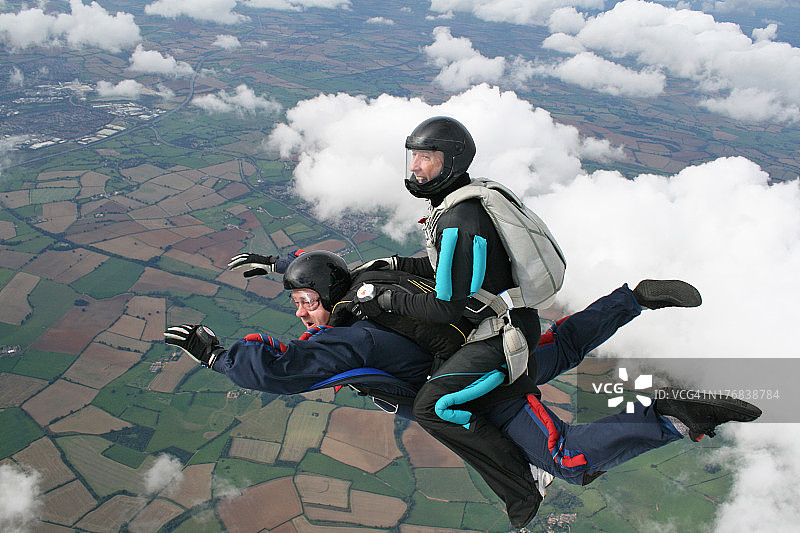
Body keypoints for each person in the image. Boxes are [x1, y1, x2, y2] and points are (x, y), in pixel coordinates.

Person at [165, 251, 761, 529]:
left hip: (478, 390)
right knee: (562, 346)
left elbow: (282, 368)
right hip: (493, 342)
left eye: (304, 302)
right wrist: (282, 267)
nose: (301, 315)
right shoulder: (369, 283)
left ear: (326, 295)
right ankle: (633, 297)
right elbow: (330, 268)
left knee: (568, 459)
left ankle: (671, 417)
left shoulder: (352, 343)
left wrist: (217, 355)